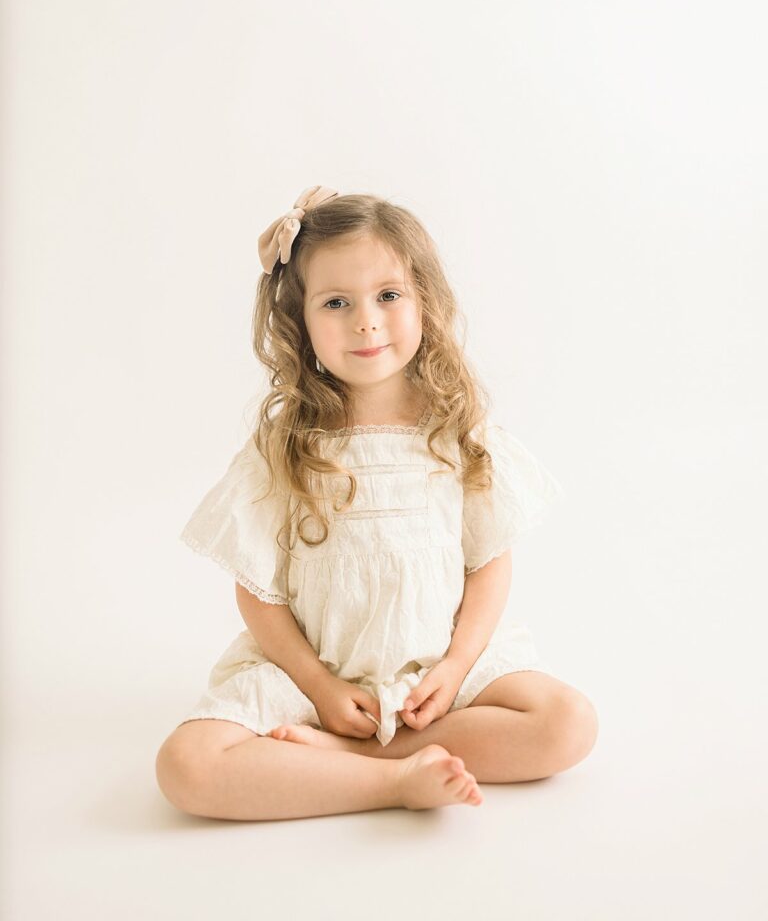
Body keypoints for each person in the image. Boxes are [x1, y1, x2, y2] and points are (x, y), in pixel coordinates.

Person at [155, 186, 598, 821]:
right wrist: (318, 686)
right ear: (300, 320)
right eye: (336, 302)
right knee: (187, 766)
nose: (366, 320)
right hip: (316, 673)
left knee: (567, 722)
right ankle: (392, 781)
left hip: (436, 669)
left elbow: (488, 562)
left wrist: (456, 667)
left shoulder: (458, 429)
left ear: (425, 300)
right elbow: (258, 590)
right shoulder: (286, 445)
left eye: (388, 295)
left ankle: (341, 757)